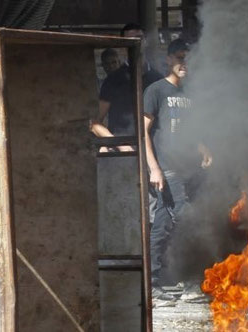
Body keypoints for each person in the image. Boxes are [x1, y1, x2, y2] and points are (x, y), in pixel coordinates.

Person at [143, 39, 211, 299]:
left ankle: (151, 285)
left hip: (189, 169)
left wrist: (204, 149)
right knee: (188, 218)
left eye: (189, 59)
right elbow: (143, 132)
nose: (185, 63)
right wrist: (154, 169)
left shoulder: (189, 94)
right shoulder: (156, 91)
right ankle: (192, 282)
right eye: (180, 58)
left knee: (161, 225)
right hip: (167, 168)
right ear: (169, 59)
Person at [91, 23, 164, 149]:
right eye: (130, 40)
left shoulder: (157, 79)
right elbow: (95, 123)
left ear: (145, 41)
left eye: (139, 38)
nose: (136, 42)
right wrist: (119, 144)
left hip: (157, 150)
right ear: (123, 46)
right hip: (123, 154)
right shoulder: (113, 80)